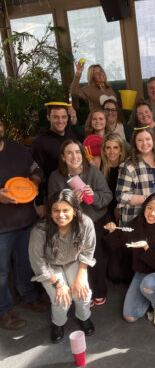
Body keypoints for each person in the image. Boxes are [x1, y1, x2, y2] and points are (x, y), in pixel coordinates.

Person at [48, 139, 112, 307]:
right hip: (70, 224)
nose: (74, 156)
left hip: (95, 220)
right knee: (77, 260)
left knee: (96, 258)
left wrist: (94, 196)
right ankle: (84, 292)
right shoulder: (56, 177)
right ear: (63, 157)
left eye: (77, 152)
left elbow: (107, 197)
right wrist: (70, 202)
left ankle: (99, 291)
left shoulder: (92, 171)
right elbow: (51, 205)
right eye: (69, 153)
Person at [29, 189, 96, 343]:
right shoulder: (39, 230)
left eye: (66, 210)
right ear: (50, 211)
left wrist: (79, 279)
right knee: (61, 299)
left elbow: (88, 251)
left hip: (74, 262)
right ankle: (58, 323)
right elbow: (37, 261)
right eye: (56, 210)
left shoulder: (85, 223)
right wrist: (59, 285)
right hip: (50, 266)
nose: (61, 215)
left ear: (74, 210)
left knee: (83, 293)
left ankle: (83, 318)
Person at [0, 120, 47, 330]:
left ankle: (28, 296)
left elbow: (36, 170)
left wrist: (34, 183)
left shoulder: (17, 148)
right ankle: (3, 311)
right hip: (1, 227)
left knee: (25, 262)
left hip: (25, 220)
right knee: (0, 272)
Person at [104, 193, 155, 326]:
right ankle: (152, 293)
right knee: (130, 316)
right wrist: (112, 230)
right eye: (149, 208)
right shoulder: (136, 224)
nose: (152, 213)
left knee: (148, 284)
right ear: (144, 208)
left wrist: (146, 248)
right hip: (142, 274)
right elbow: (117, 244)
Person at [116, 126, 155, 226]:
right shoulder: (129, 166)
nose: (144, 143)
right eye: (140, 140)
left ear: (153, 140)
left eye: (148, 139)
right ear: (135, 143)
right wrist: (148, 198)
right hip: (137, 220)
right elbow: (122, 196)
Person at [32, 102, 76, 218]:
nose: (60, 121)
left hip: (72, 192)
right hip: (50, 196)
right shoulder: (40, 142)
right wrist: (40, 203)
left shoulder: (71, 136)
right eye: (56, 117)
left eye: (63, 117)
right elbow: (36, 173)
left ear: (67, 117)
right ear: (48, 117)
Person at [100, 132, 128, 221]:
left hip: (121, 206)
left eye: (115, 147)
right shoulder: (99, 165)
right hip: (103, 207)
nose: (112, 151)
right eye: (108, 148)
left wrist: (118, 207)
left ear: (120, 151)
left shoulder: (126, 167)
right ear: (104, 151)